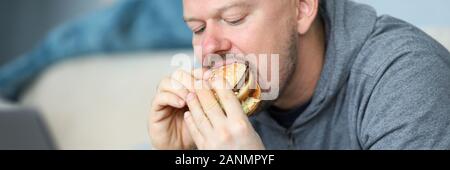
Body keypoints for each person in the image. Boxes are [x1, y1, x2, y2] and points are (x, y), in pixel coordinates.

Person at [148, 0, 450, 150]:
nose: (210, 47)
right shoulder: (228, 113)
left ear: (302, 8)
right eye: (197, 29)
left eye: (233, 19)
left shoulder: (405, 78)